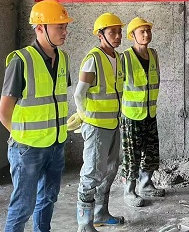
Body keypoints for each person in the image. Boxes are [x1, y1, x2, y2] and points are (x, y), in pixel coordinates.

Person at [0, 0, 73, 232]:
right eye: (59, 27)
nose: (65, 32)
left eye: (65, 26)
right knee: (23, 206)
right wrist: (23, 138)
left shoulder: (63, 59)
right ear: (40, 28)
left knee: (48, 199)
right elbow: (4, 112)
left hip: (56, 145)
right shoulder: (21, 60)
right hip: (28, 149)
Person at [74, 13, 125, 231]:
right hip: (96, 126)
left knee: (110, 170)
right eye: (113, 32)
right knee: (91, 173)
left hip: (113, 124)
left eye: (119, 32)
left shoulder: (118, 58)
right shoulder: (93, 59)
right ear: (100, 34)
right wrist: (85, 116)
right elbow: (79, 94)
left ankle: (100, 214)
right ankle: (84, 224)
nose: (118, 36)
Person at [120, 17, 165, 208]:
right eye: (142, 31)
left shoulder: (153, 55)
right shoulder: (125, 58)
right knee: (132, 156)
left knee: (151, 153)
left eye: (148, 30)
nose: (146, 34)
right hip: (131, 116)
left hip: (149, 114)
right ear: (132, 35)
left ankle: (146, 185)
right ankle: (129, 191)